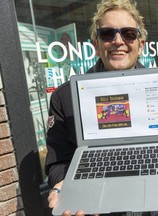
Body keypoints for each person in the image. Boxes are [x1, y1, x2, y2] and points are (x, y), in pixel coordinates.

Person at [45, 0, 147, 215]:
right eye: (107, 34)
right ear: (96, 45)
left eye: (128, 33)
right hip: (96, 204)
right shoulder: (64, 97)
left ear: (141, 44)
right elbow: (58, 160)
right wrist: (65, 184)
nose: (118, 41)